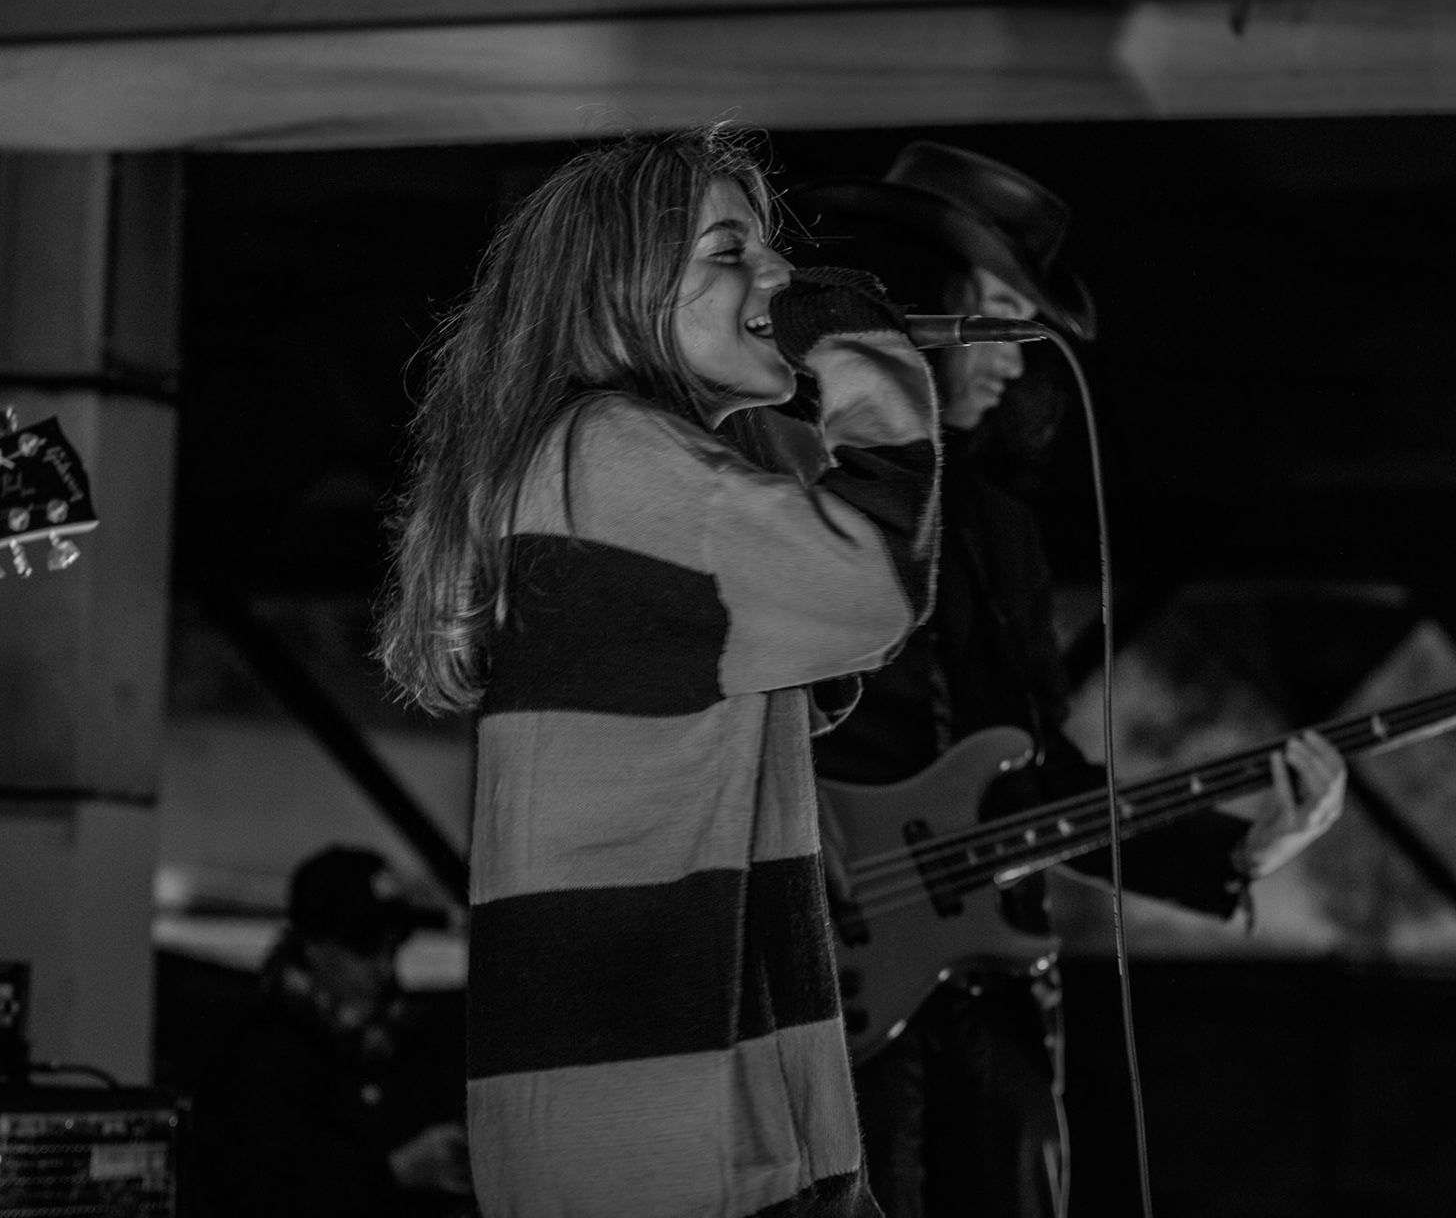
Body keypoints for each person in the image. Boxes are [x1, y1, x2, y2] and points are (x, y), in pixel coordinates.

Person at [375, 125, 941, 1216]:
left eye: (769, 247)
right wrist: (868, 363)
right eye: (730, 252)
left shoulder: (601, 458)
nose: (779, 274)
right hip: (675, 1131)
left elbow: (813, 659)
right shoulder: (610, 453)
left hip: (688, 1117)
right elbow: (870, 586)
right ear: (613, 296)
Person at [785, 142, 1348, 1218]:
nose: (1014, 354)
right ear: (915, 301)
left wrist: (1238, 850)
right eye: (997, 311)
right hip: (822, 971)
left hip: (986, 984)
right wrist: (784, 807)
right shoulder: (791, 477)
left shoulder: (999, 529)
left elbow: (1035, 778)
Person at [193, 844, 473, 1218]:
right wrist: (393, 1175)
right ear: (312, 944)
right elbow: (255, 1198)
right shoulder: (253, 1061)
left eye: (393, 947)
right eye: (364, 947)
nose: (384, 968)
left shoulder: (411, 1041)